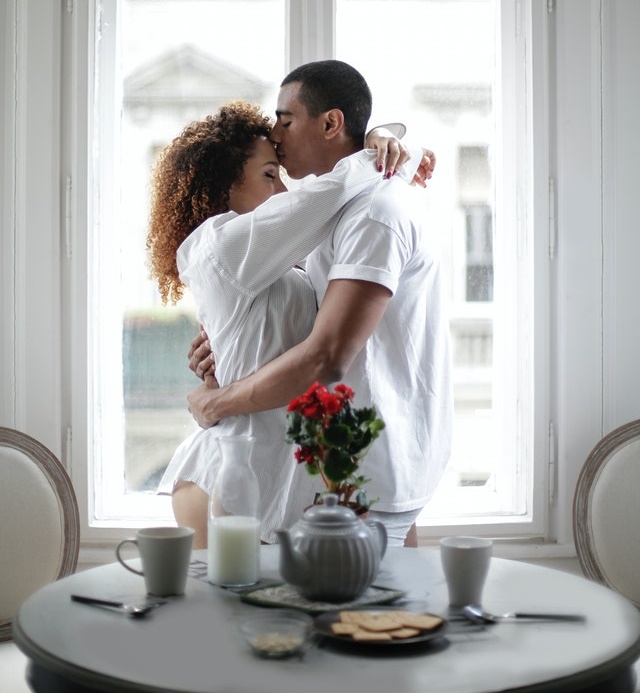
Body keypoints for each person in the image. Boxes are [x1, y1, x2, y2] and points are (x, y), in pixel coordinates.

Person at [186, 60, 453, 548]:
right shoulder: (333, 213)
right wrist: (226, 342)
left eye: (285, 119)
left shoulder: (375, 214)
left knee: (364, 623)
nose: (275, 131)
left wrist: (217, 401)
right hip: (341, 468)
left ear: (330, 123)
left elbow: (326, 356)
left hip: (368, 473)